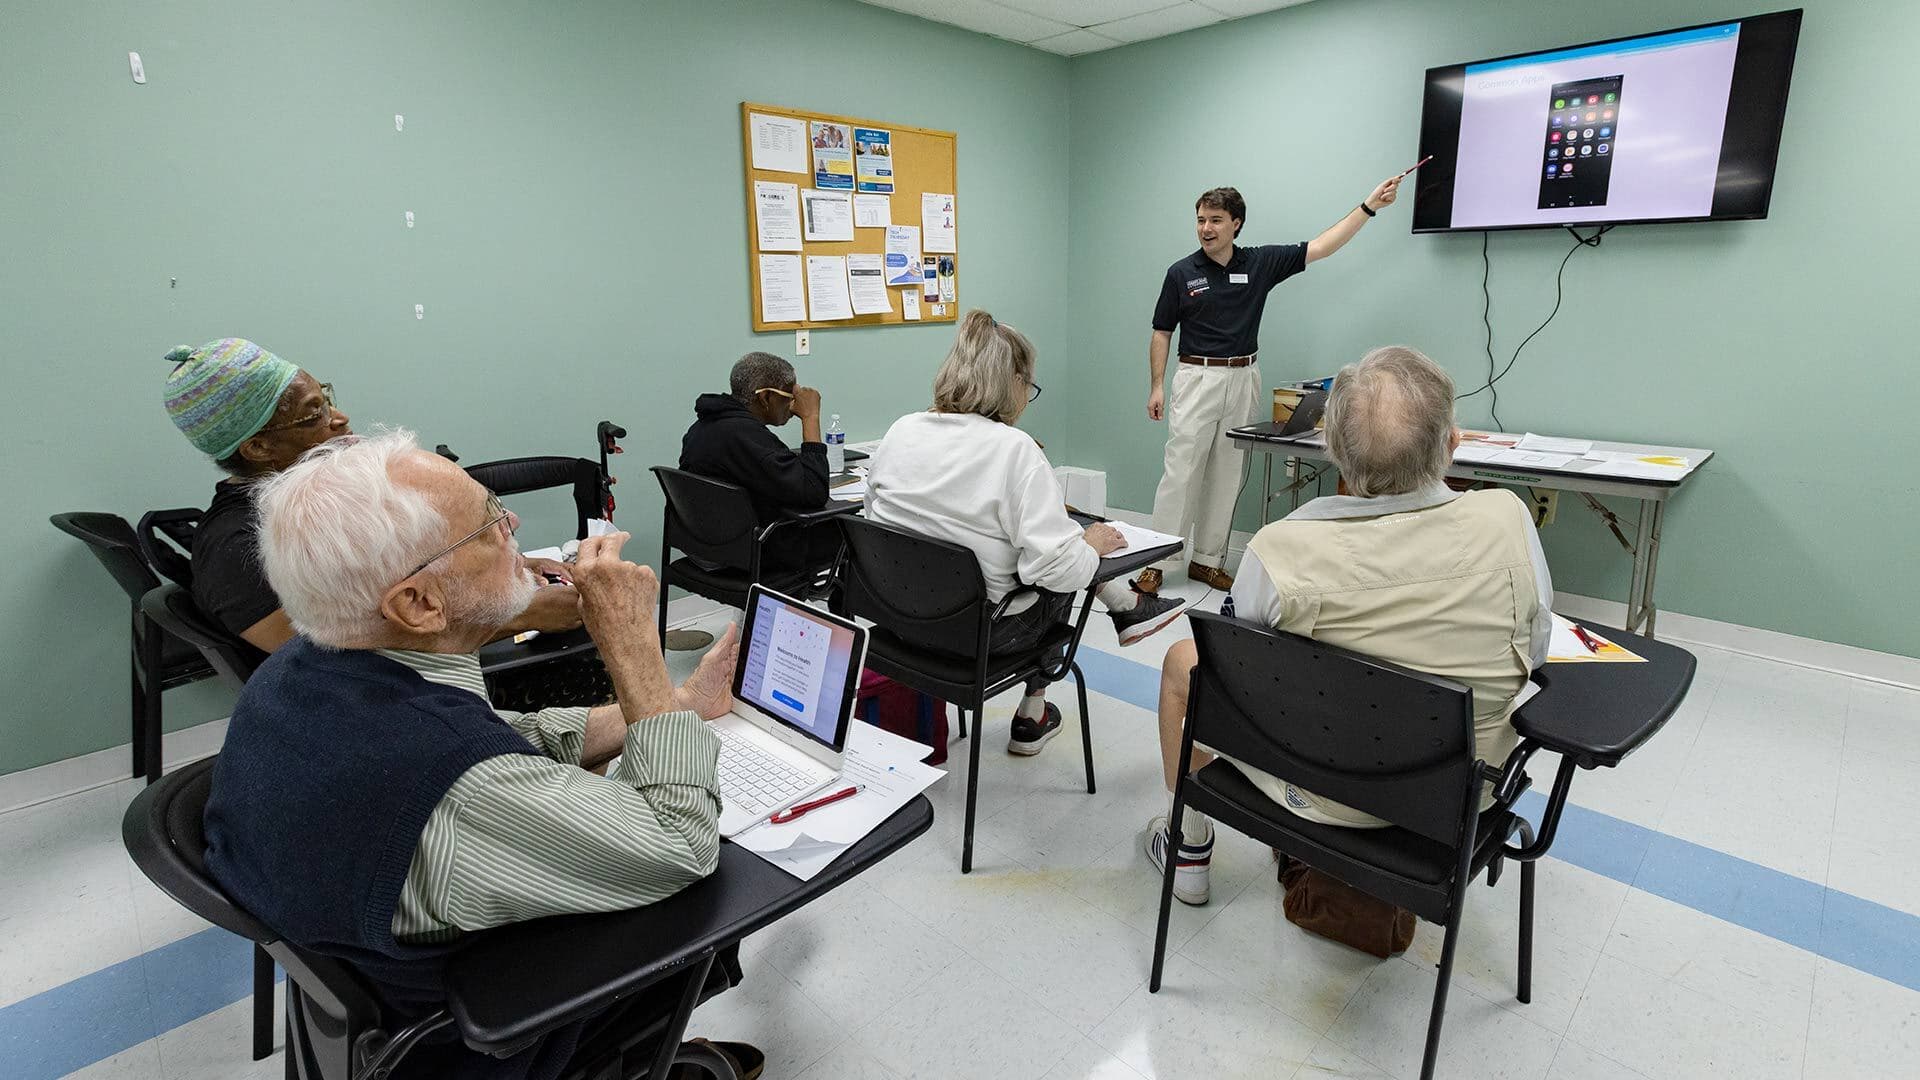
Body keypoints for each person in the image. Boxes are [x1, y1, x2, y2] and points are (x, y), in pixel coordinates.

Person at [202, 429, 762, 1079]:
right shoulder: (458, 789)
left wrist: (680, 704)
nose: (512, 523)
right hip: (492, 1039)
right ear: (417, 602)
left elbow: (500, 738)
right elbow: (678, 841)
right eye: (489, 525)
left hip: (382, 990)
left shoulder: (309, 666)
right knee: (721, 888)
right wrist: (635, 647)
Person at [1143, 347, 1553, 906]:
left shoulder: (1281, 549)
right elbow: (1535, 652)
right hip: (1456, 798)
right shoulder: (1510, 520)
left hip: (1315, 789)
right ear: (1452, 444)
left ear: (1332, 450)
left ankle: (1187, 848)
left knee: (1180, 665)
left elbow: (1231, 674)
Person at [864, 310, 1191, 755]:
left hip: (898, 620)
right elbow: (1058, 570)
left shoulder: (901, 430)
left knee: (1038, 556)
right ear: (1012, 382)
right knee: (1059, 571)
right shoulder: (1014, 450)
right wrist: (1087, 545)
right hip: (983, 636)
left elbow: (873, 519)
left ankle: (1128, 607)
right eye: (1029, 386)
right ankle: (1033, 712)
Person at [161, 339, 581, 658]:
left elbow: (390, 574)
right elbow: (344, 657)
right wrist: (522, 613)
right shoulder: (237, 551)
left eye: (326, 398)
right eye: (315, 413)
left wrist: (508, 571)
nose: (339, 419)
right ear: (257, 448)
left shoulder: (331, 502)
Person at [1136, 176, 1406, 596]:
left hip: (1244, 376)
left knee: (1228, 472)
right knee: (1181, 472)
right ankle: (1157, 560)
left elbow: (1321, 246)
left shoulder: (1259, 263)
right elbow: (1161, 332)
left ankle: (1207, 561)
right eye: (1201, 220)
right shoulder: (1181, 272)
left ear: (1236, 224)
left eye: (1216, 220)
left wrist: (1368, 207)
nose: (1206, 228)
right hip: (1196, 376)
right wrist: (1157, 385)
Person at [679, 351, 840, 574]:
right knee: (851, 533)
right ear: (765, 398)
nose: (793, 405)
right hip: (751, 553)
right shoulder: (745, 436)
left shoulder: (704, 426)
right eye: (790, 396)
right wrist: (810, 418)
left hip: (706, 547)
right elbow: (814, 491)